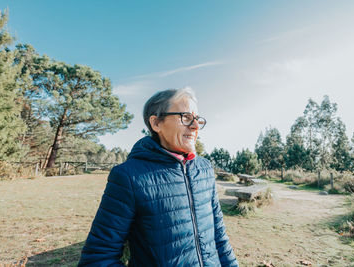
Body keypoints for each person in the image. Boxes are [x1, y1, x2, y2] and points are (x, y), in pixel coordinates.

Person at [78, 88, 238, 267]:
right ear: (156, 123)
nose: (195, 126)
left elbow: (219, 236)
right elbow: (98, 258)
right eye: (185, 117)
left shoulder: (205, 168)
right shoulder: (128, 176)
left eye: (197, 119)